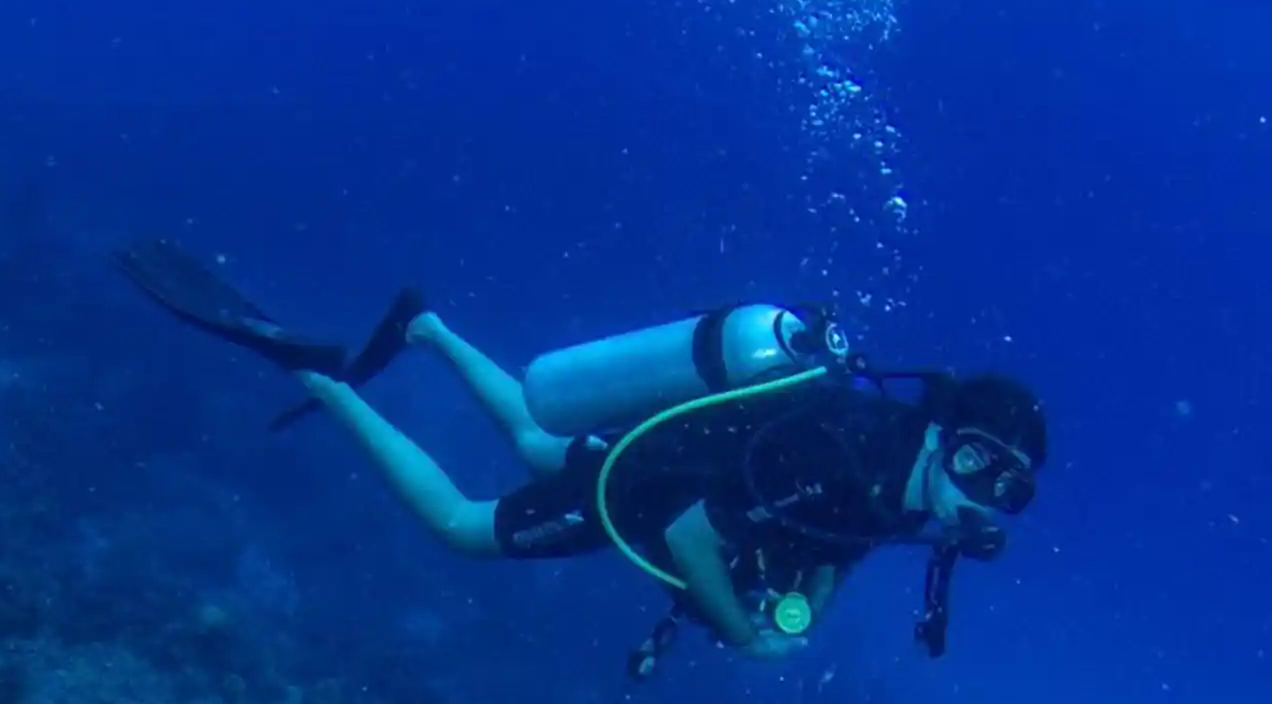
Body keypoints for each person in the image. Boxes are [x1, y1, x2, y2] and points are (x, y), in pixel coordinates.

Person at [118, 240, 1045, 671]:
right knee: (463, 526)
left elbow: (838, 547)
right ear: (940, 434)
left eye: (1008, 488)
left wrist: (804, 617)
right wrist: (743, 633)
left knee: (536, 438)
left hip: (670, 450)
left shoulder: (899, 483)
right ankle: (324, 379)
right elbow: (690, 537)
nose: (984, 497)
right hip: (652, 487)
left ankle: (425, 327)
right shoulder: (853, 459)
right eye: (977, 463)